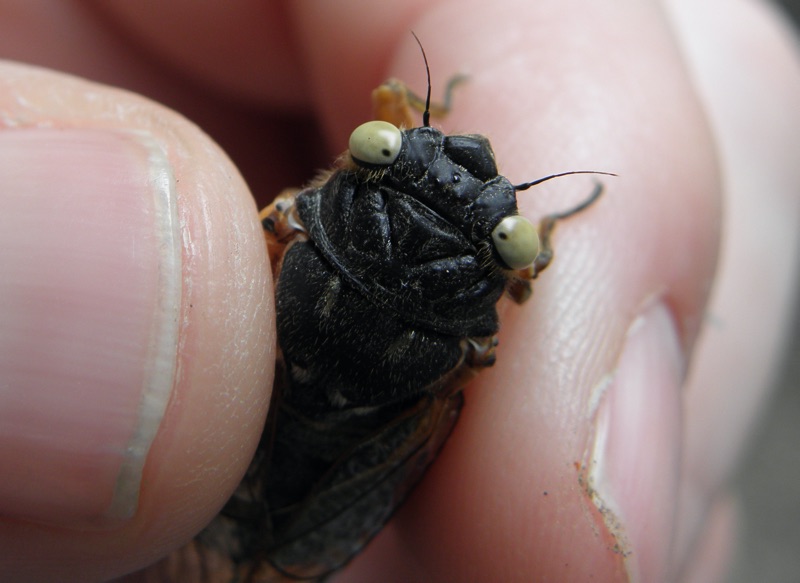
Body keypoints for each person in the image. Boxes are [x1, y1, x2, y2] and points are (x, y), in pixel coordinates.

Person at [0, 1, 798, 581]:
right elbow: (525, 287)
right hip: (331, 478)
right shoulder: (473, 331)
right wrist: (535, 242)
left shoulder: (295, 222)